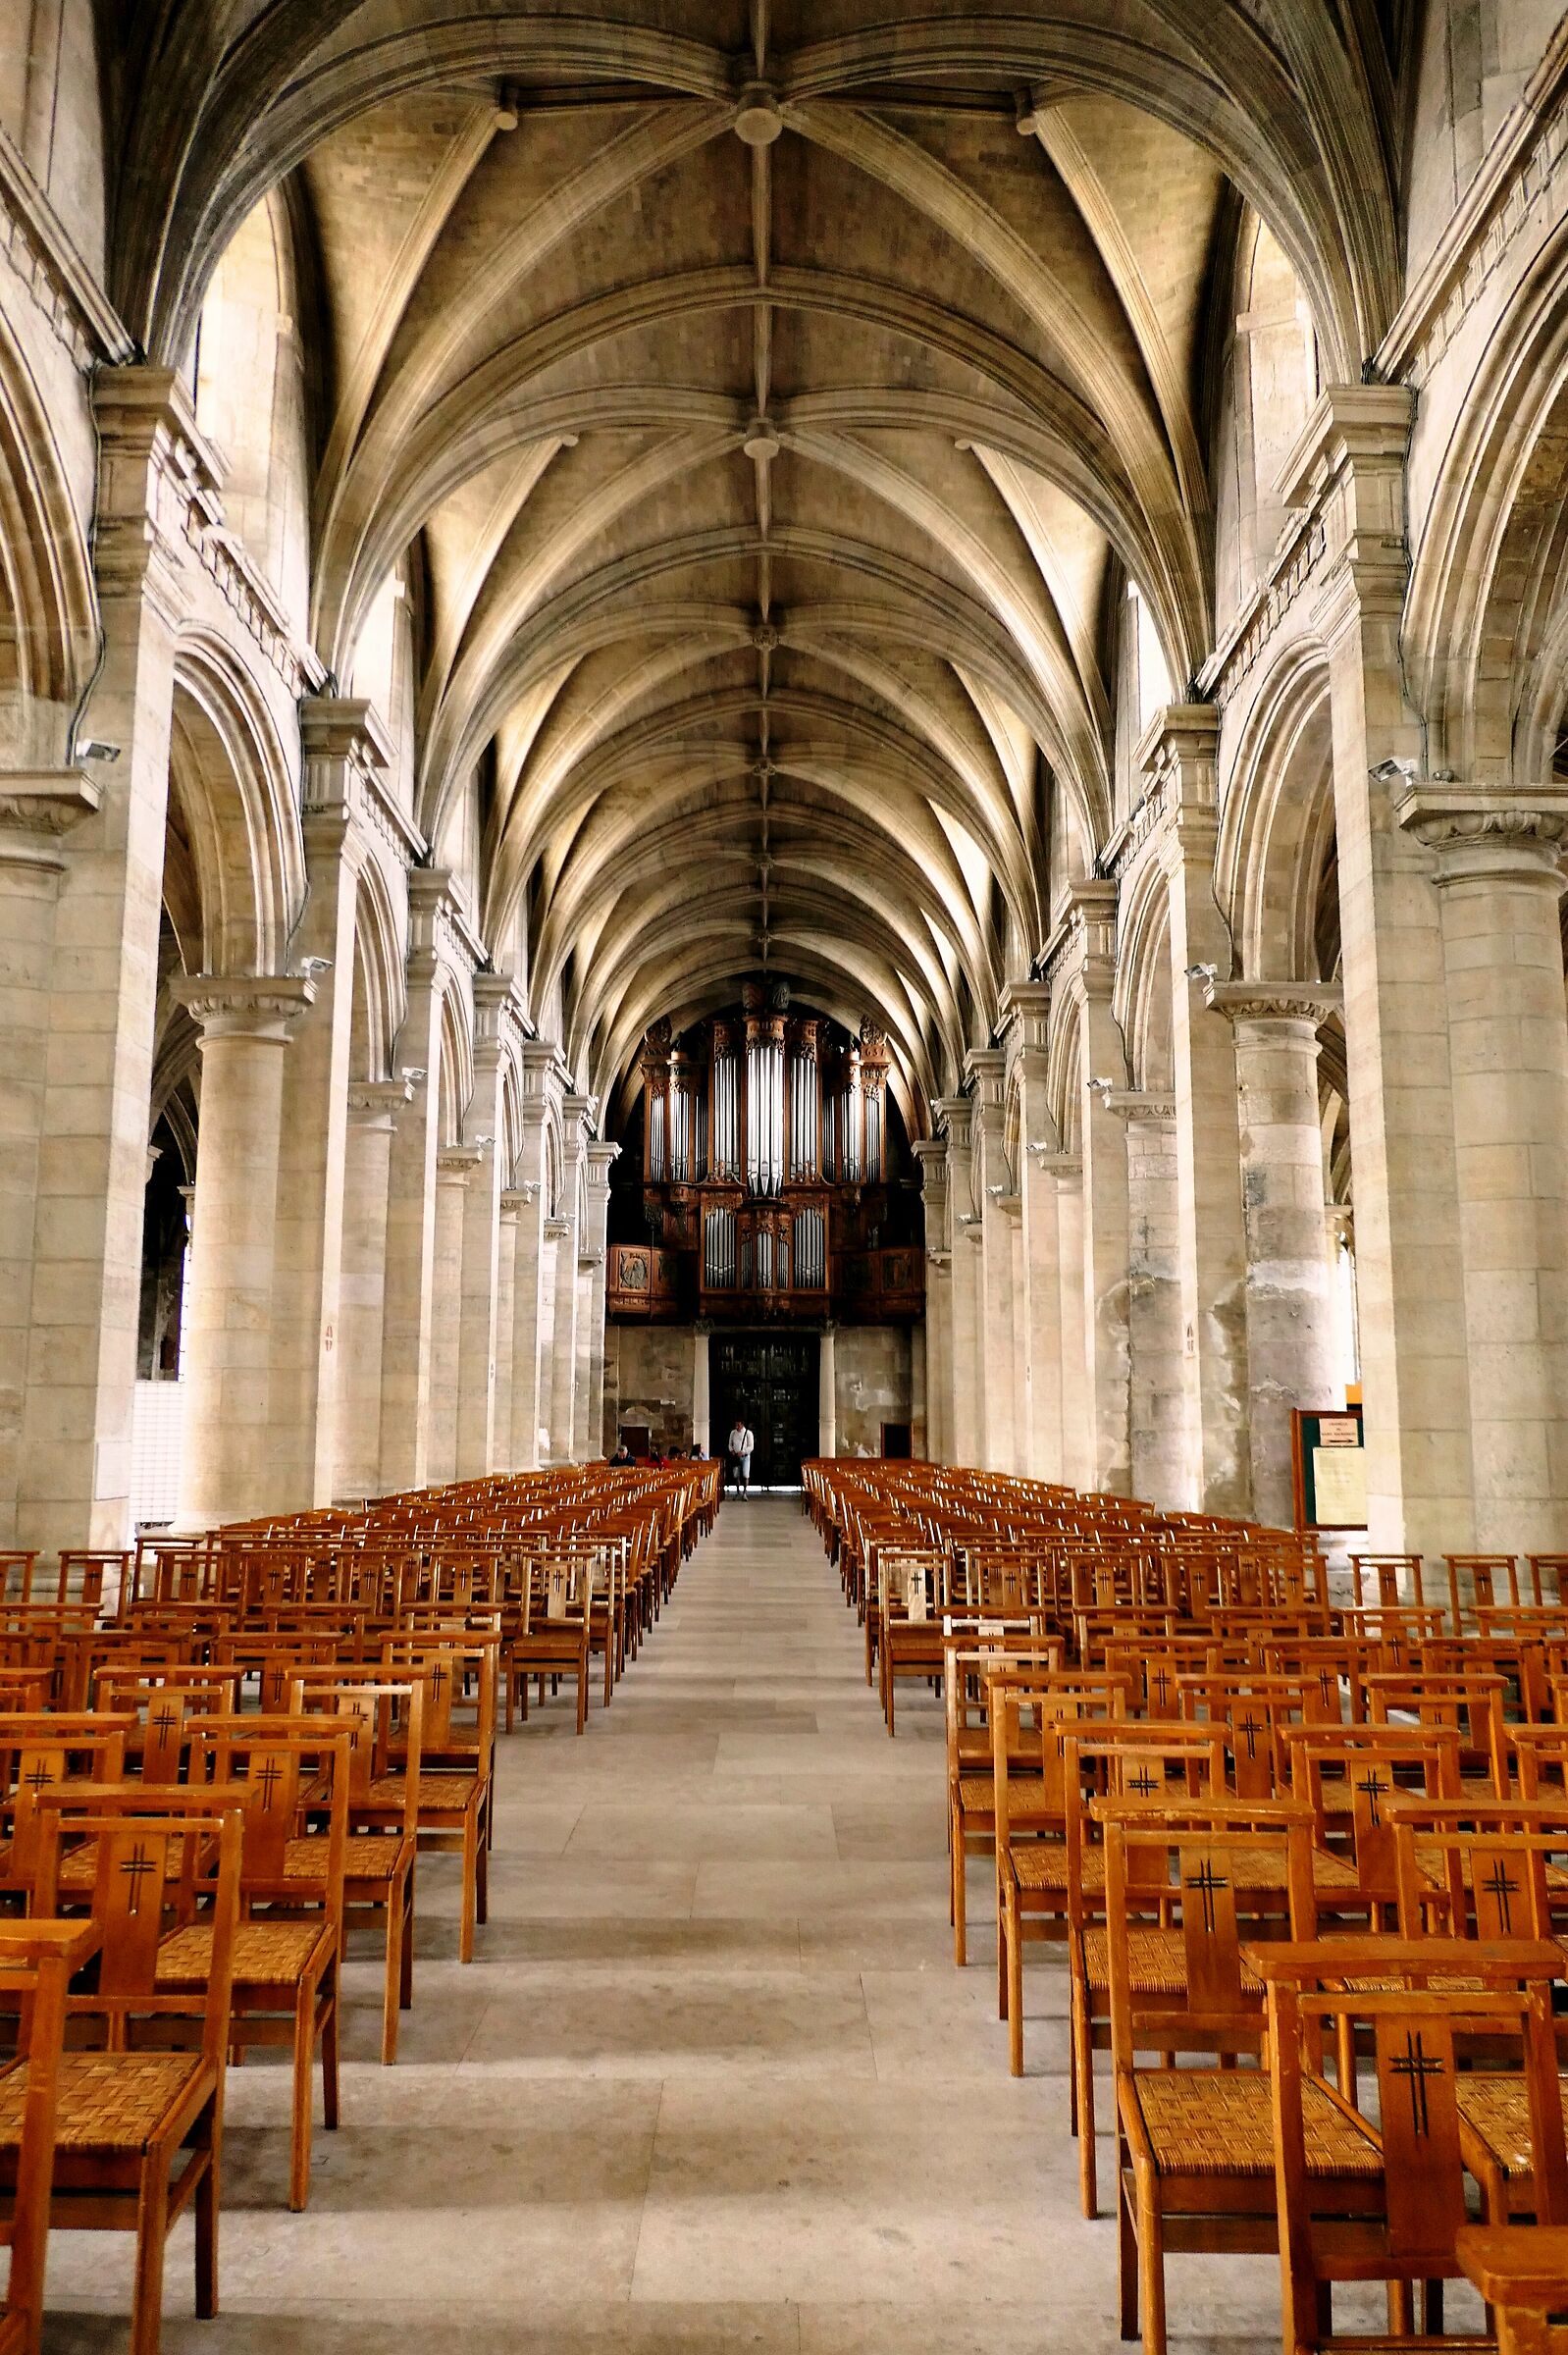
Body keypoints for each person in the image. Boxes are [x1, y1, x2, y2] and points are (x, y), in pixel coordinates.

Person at [726, 1415, 755, 1497]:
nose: (736, 1427)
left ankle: (745, 1493)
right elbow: (730, 1444)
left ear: (742, 1425)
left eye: (738, 1425)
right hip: (735, 1457)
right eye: (736, 1425)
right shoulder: (733, 1432)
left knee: (745, 1475)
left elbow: (751, 1446)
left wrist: (743, 1452)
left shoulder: (748, 1433)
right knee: (736, 1475)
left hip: (745, 1457)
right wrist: (731, 1450)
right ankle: (738, 1491)